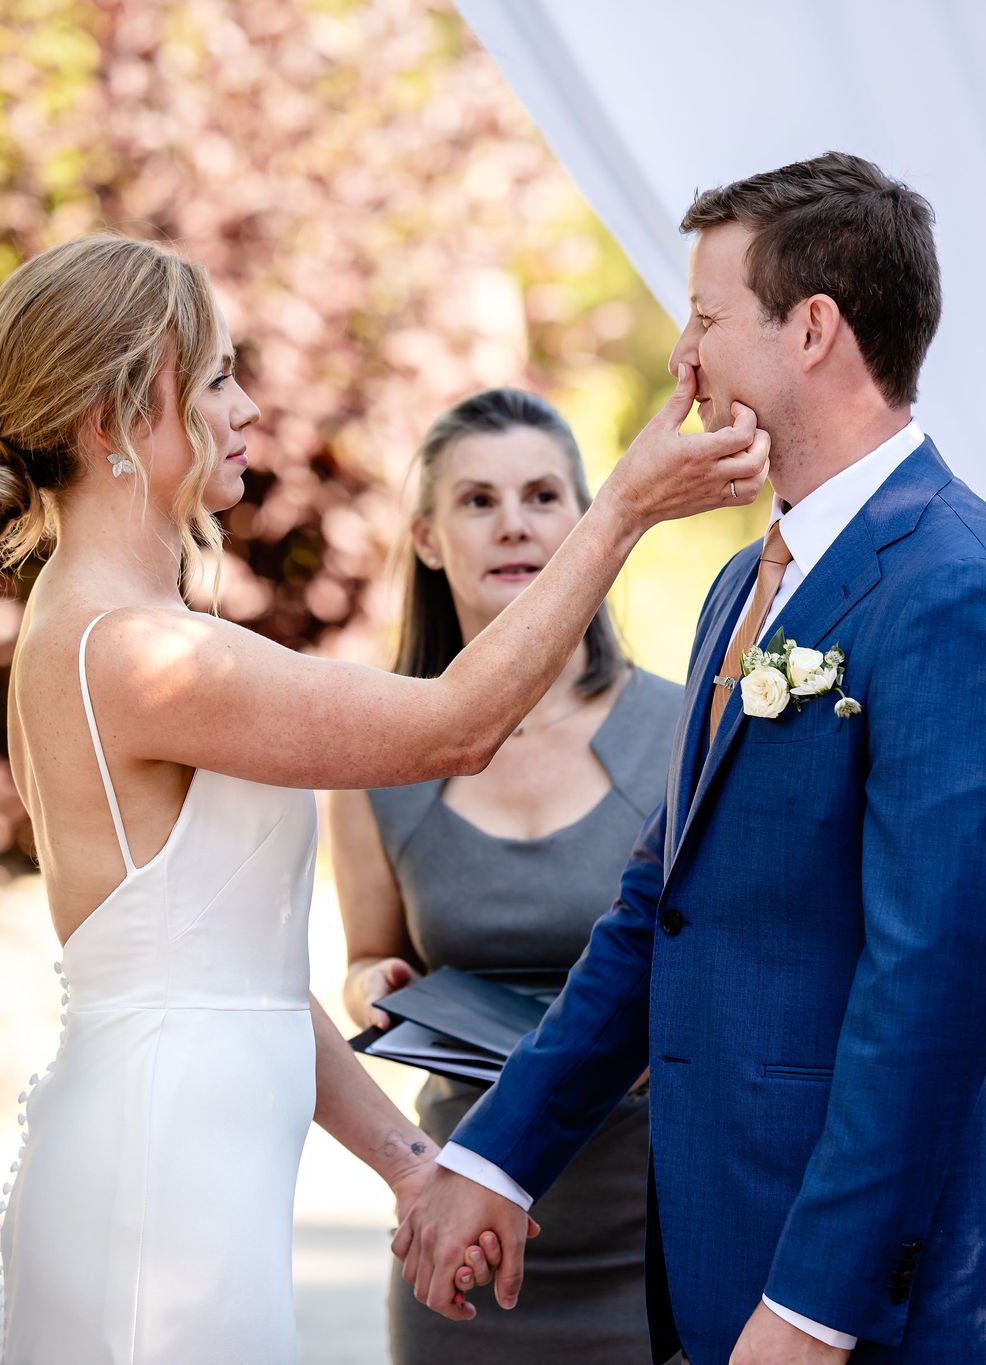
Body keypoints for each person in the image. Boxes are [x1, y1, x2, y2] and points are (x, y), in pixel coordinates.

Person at [0, 233, 767, 1365]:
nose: (246, 409)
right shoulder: (128, 651)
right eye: (218, 378)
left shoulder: (131, 637)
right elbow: (454, 726)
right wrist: (615, 510)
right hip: (157, 1185)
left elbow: (249, 978)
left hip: (192, 1172)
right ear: (114, 417)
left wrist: (415, 1166)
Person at [396, 153, 986, 1365]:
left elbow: (931, 984)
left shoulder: (959, 589)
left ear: (810, 329)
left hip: (860, 1297)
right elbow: (664, 909)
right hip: (715, 1252)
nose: (681, 359)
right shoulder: (733, 588)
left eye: (703, 318)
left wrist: (817, 1308)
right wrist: (496, 1155)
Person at [334, 388, 680, 1362]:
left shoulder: (684, 729)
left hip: (652, 1229)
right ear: (428, 539)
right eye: (477, 501)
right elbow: (366, 957)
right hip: (462, 1223)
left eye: (542, 495)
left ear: (585, 522)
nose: (514, 523)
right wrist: (375, 988)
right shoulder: (375, 755)